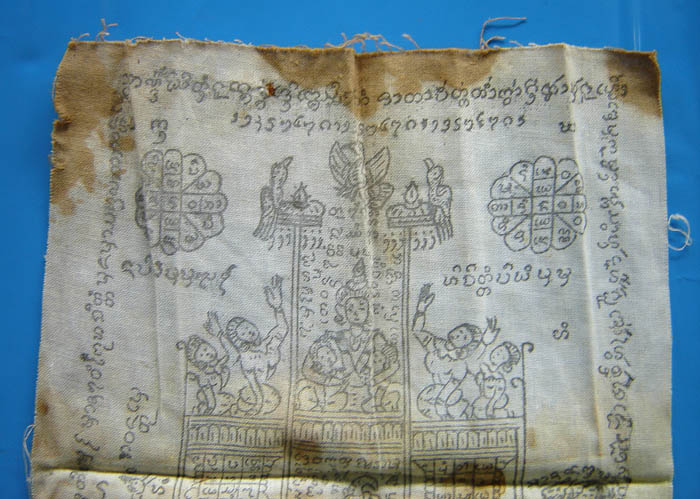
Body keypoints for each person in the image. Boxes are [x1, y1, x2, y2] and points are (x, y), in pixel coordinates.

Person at [299, 259, 400, 413]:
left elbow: (394, 365)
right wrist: (327, 380)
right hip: (336, 399)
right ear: (343, 311)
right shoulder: (332, 338)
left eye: (361, 308)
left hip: (370, 398)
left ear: (369, 310)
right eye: (350, 308)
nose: (356, 313)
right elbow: (306, 369)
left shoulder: (376, 338)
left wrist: (374, 379)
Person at [412, 283, 500, 419]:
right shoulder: (436, 344)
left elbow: (475, 358)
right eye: (460, 330)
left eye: (464, 337)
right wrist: (421, 309)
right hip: (431, 392)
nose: (459, 334)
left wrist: (485, 342)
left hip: (449, 397)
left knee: (455, 410)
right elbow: (417, 331)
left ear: (466, 346)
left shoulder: (459, 363)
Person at [205, 274, 289, 415]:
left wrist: (278, 307)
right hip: (258, 394)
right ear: (240, 340)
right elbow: (253, 382)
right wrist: (258, 403)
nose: (248, 331)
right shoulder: (247, 357)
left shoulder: (268, 343)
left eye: (248, 326)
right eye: (243, 333)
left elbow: (282, 329)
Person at [176, 334, 235, 416]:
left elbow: (226, 357)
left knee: (224, 372)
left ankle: (211, 404)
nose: (207, 353)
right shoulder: (204, 370)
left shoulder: (217, 364)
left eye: (206, 349)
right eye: (201, 355)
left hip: (216, 385)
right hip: (208, 385)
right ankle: (211, 405)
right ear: (199, 361)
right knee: (206, 385)